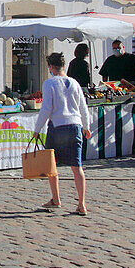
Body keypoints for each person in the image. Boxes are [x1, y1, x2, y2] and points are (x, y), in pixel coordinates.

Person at [34, 52, 93, 216]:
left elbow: (46, 108)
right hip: (75, 125)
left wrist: (37, 129)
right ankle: (81, 204)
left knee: (52, 166)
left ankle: (56, 198)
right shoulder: (74, 83)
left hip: (58, 126)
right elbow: (83, 107)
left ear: (51, 67)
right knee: (77, 166)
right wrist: (86, 126)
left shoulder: (50, 83)